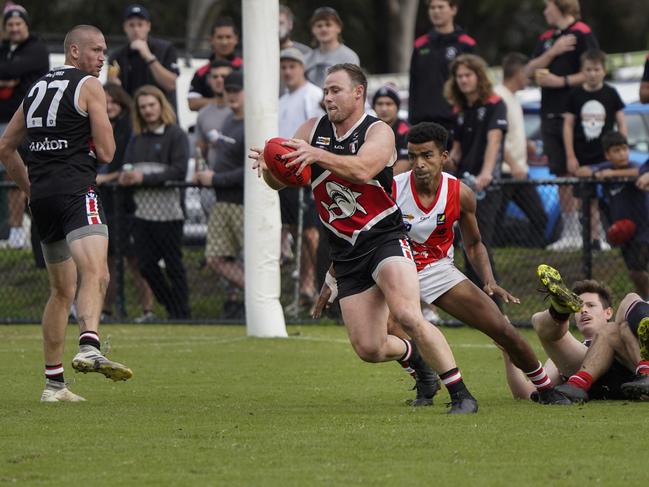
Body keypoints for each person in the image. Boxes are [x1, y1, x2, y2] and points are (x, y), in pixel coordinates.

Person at [251, 63, 479, 414]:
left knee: (407, 315)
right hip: (345, 252)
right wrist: (270, 168)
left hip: (384, 239)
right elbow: (283, 182)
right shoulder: (311, 130)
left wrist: (315, 154)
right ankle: (415, 360)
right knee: (368, 348)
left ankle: (462, 394)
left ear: (358, 93)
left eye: (335, 90)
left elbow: (362, 169)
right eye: (325, 91)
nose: (328, 97)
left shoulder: (379, 131)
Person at [314, 122, 571, 406]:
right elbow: (359, 234)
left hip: (436, 268)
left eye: (427, 155)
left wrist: (489, 280)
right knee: (390, 326)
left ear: (444, 157)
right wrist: (332, 277)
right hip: (393, 262)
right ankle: (425, 376)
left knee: (501, 328)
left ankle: (546, 388)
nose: (419, 164)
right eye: (413, 157)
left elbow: (474, 244)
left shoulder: (460, 193)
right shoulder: (392, 187)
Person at [0, 25, 133, 402]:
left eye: (104, 50)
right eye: (95, 50)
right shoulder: (90, 86)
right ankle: (89, 343)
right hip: (77, 191)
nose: (101, 57)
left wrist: (27, 189)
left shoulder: (36, 88)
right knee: (97, 270)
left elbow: (6, 148)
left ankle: (54, 385)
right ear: (73, 51)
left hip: (42, 197)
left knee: (60, 291)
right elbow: (107, 153)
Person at [502, 264, 649, 403]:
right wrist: (508, 348)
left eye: (591, 305)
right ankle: (559, 310)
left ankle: (645, 363)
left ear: (608, 312)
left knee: (630, 300)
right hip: (589, 374)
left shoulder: (624, 327)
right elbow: (526, 393)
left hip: (631, 363)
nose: (584, 310)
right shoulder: (571, 352)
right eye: (578, 307)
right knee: (537, 320)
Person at [525, 0, 599, 251]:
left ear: (561, 7)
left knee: (582, 171)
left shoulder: (583, 33)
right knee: (560, 174)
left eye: (548, 6)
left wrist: (563, 81)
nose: (545, 11)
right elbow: (529, 70)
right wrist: (553, 51)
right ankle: (570, 233)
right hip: (549, 114)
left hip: (577, 115)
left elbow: (593, 71)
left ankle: (593, 234)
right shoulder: (547, 37)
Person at [118, 84, 190, 320]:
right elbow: (128, 166)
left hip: (169, 213)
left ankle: (183, 313)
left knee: (173, 265)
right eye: (143, 107)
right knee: (146, 266)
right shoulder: (137, 138)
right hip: (142, 213)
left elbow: (178, 171)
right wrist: (127, 176)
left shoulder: (176, 135)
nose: (148, 110)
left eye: (151, 105)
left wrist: (144, 177)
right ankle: (172, 307)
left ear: (161, 105)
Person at [445, 54, 507, 305]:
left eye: (468, 75)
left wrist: (487, 173)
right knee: (465, 245)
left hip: (484, 187)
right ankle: (479, 306)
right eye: (459, 76)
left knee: (481, 243)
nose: (463, 80)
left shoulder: (494, 103)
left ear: (479, 77)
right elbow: (457, 149)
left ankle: (496, 306)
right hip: (463, 184)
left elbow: (494, 140)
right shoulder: (461, 109)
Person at [97, 83, 153, 322]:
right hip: (104, 200)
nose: (109, 106)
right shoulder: (95, 124)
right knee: (104, 259)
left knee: (134, 259)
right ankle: (106, 309)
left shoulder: (129, 128)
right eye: (104, 101)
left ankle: (148, 309)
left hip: (126, 201)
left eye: (113, 101)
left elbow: (127, 165)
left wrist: (105, 177)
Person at [562, 49, 626, 250]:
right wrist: (571, 156)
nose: (592, 73)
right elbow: (568, 126)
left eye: (596, 69)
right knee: (587, 200)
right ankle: (593, 239)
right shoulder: (575, 95)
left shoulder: (611, 93)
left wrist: (622, 148)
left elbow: (621, 122)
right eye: (588, 69)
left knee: (611, 198)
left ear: (604, 71)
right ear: (583, 71)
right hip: (583, 156)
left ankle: (616, 236)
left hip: (606, 156)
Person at [193, 71, 245, 317]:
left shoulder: (253, 124)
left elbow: (250, 170)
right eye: (229, 91)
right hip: (222, 201)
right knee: (215, 258)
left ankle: (261, 297)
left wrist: (215, 178)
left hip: (244, 203)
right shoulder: (229, 121)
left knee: (252, 259)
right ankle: (256, 293)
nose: (232, 95)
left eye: (237, 91)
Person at [576, 132, 649, 299]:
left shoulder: (635, 166)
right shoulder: (605, 168)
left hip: (644, 228)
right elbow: (582, 171)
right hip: (624, 230)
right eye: (616, 150)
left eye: (624, 149)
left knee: (638, 269)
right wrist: (596, 173)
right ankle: (645, 301)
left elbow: (638, 171)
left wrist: (612, 174)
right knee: (634, 271)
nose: (622, 154)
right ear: (607, 154)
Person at [277, 48, 324, 307]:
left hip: (306, 174)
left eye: (292, 66)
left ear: (302, 67)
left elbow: (318, 134)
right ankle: (307, 287)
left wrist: (309, 169)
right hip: (286, 176)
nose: (287, 71)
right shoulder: (281, 100)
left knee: (310, 234)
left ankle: (320, 284)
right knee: (296, 231)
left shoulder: (313, 95)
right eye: (283, 66)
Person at [0, 5, 49, 248]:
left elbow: (11, 70)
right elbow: (8, 71)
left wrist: (10, 75)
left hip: (27, 124)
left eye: (18, 24)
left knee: (17, 175)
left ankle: (19, 232)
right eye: (10, 24)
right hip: (3, 120)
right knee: (8, 177)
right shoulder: (4, 49)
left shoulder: (37, 48)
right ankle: (16, 230)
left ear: (26, 25)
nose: (14, 28)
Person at [494, 52, 548, 247]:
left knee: (539, 216)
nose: (529, 78)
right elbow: (497, 137)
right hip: (505, 171)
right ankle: (497, 257)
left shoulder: (513, 98)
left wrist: (526, 142)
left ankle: (532, 252)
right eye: (527, 73)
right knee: (493, 223)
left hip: (519, 171)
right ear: (518, 72)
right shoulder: (498, 97)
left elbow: (510, 131)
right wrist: (513, 164)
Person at [408, 0, 476, 133]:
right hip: (423, 123)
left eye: (440, 7)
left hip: (454, 123)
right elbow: (414, 84)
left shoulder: (466, 44)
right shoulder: (420, 45)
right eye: (432, 8)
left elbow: (475, 86)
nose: (436, 11)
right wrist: (412, 119)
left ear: (453, 9)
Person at [107, 4, 179, 111]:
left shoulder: (166, 49)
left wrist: (149, 57)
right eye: (131, 25)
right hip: (131, 119)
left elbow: (171, 84)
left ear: (148, 26)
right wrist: (115, 87)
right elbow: (112, 94)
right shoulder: (116, 56)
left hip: (165, 117)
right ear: (125, 27)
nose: (136, 29)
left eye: (140, 24)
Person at [187, 17, 242, 112]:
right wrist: (225, 101)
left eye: (228, 37)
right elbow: (192, 103)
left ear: (236, 39)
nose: (224, 42)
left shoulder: (245, 68)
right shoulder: (201, 72)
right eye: (220, 37)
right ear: (211, 40)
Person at [304, 7, 360, 88]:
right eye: (319, 26)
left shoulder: (349, 57)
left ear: (338, 28)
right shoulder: (306, 59)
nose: (323, 29)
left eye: (328, 25)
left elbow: (353, 89)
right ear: (313, 30)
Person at [371, 84, 410, 175]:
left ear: (397, 107)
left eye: (389, 104)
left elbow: (402, 168)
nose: (384, 109)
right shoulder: (368, 129)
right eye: (380, 104)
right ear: (374, 107)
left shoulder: (406, 132)